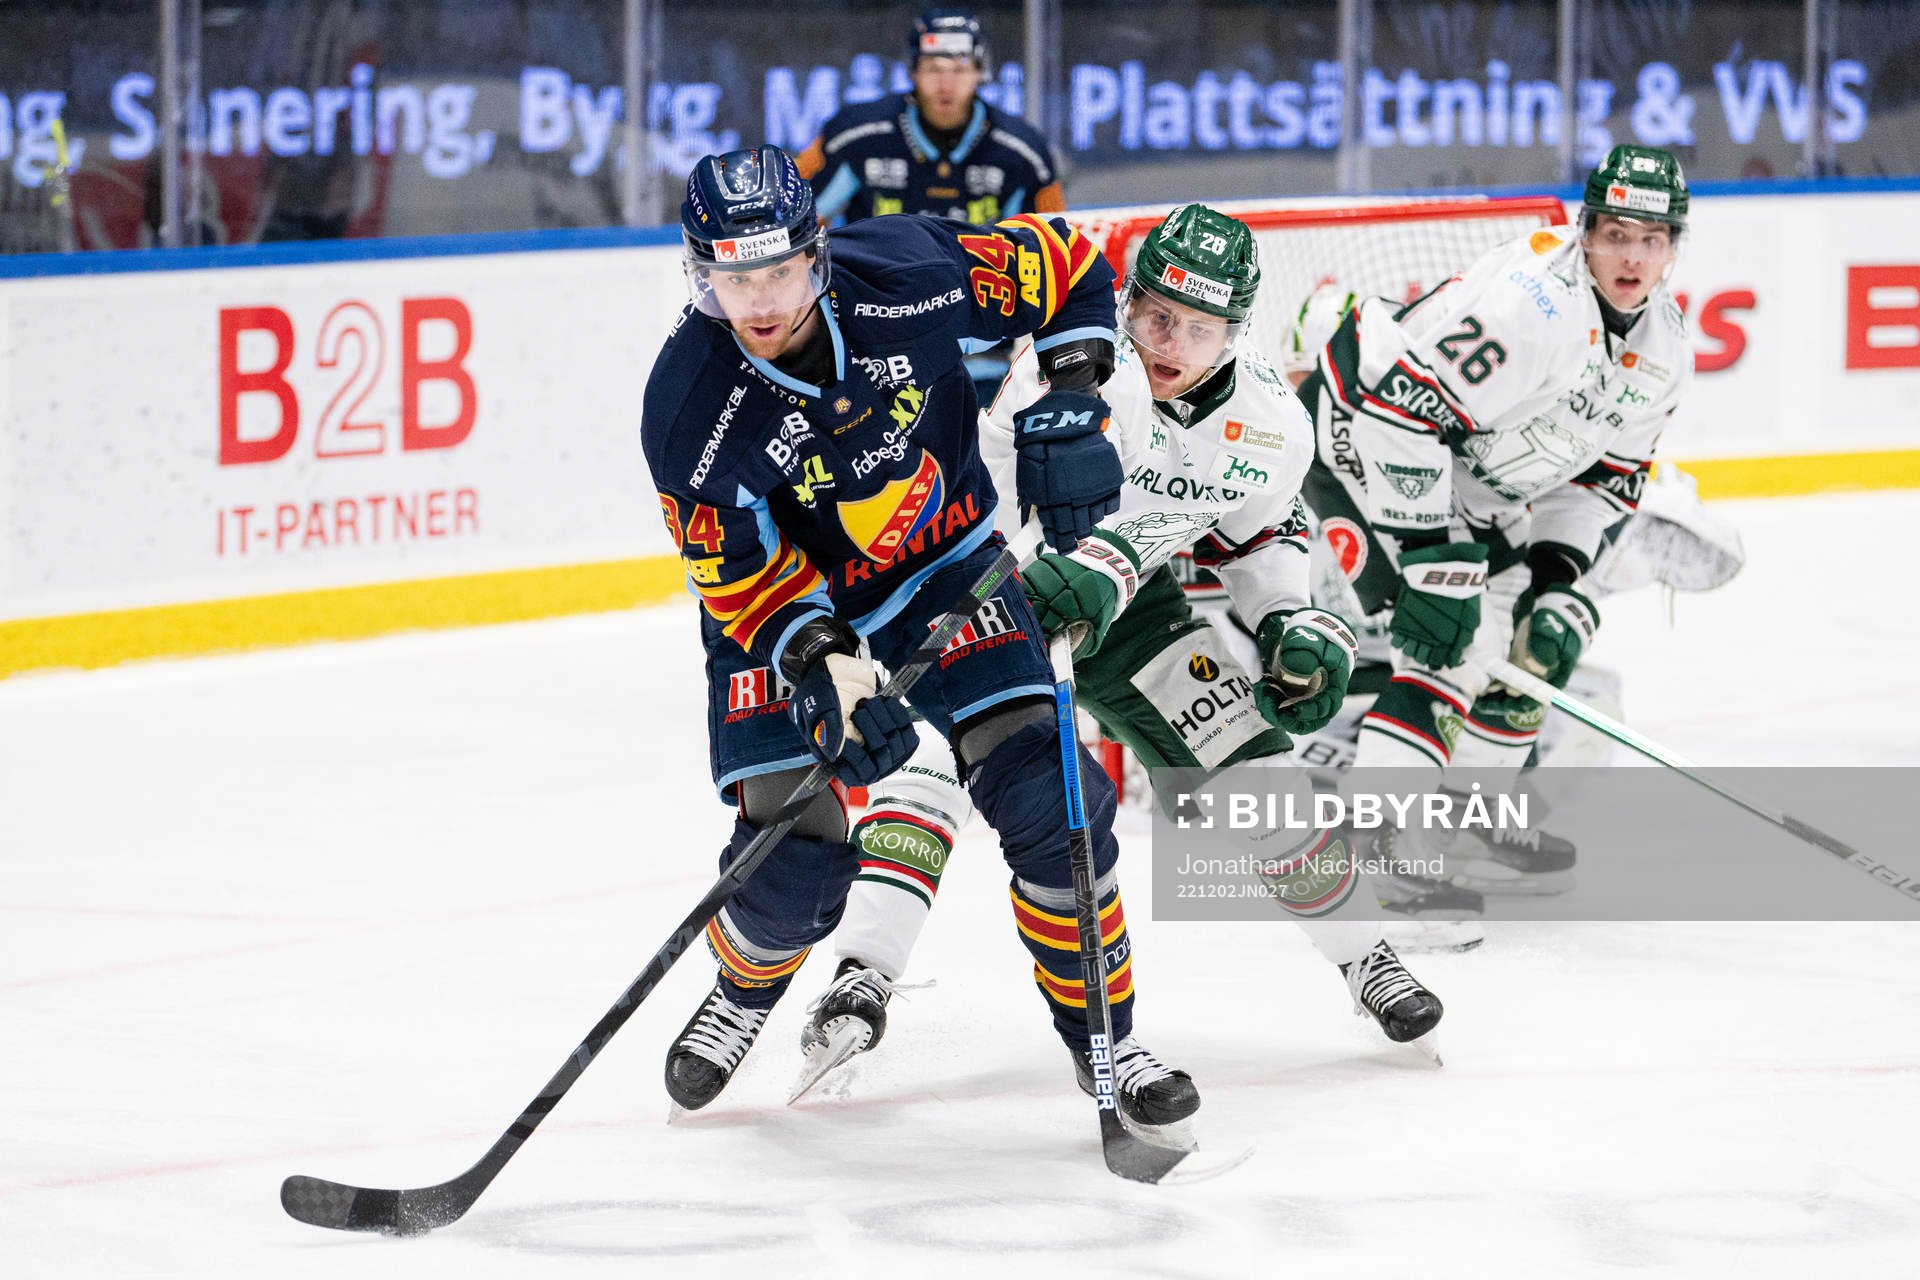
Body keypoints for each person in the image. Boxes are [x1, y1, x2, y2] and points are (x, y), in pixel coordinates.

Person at [795, 206, 1450, 1099]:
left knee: (1245, 763)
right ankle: (862, 971)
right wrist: (1074, 568)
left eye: (1200, 326)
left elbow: (1256, 541)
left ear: (1237, 330)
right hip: (994, 587)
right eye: (1153, 314)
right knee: (934, 766)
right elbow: (998, 511)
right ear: (1130, 300)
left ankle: (1362, 955)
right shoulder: (1079, 369)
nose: (1169, 341)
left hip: (1127, 612)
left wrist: (1288, 623)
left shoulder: (1271, 424)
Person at [640, 144, 1203, 1133]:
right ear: (698, 276)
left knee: (1048, 793)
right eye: (732, 278)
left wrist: (1074, 383)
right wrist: (819, 661)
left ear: (817, 255)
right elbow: (736, 573)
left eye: (778, 271)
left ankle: (1103, 1037)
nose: (761, 301)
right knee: (792, 865)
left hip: (942, 563)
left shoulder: (908, 272)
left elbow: (1065, 266)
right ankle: (744, 980)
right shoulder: (690, 404)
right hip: (792, 612)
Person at [1290, 144, 1698, 883]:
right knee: (1445, 641)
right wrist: (1427, 559)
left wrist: (1554, 582)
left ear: (1673, 246)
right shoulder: (1533, 305)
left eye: (1651, 239)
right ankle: (1378, 856)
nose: (1631, 256)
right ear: (1586, 230)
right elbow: (1404, 415)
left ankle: (1475, 824)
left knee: (1525, 649)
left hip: (1466, 476)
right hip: (1354, 434)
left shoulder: (1665, 349)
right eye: (1615, 234)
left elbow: (1607, 478)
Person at [795, 9, 1064, 226]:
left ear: (980, 73)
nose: (946, 85)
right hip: (878, 289)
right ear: (912, 71)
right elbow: (791, 215)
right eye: (933, 69)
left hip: (981, 289)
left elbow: (1055, 249)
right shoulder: (853, 134)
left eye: (959, 70)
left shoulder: (1026, 152)